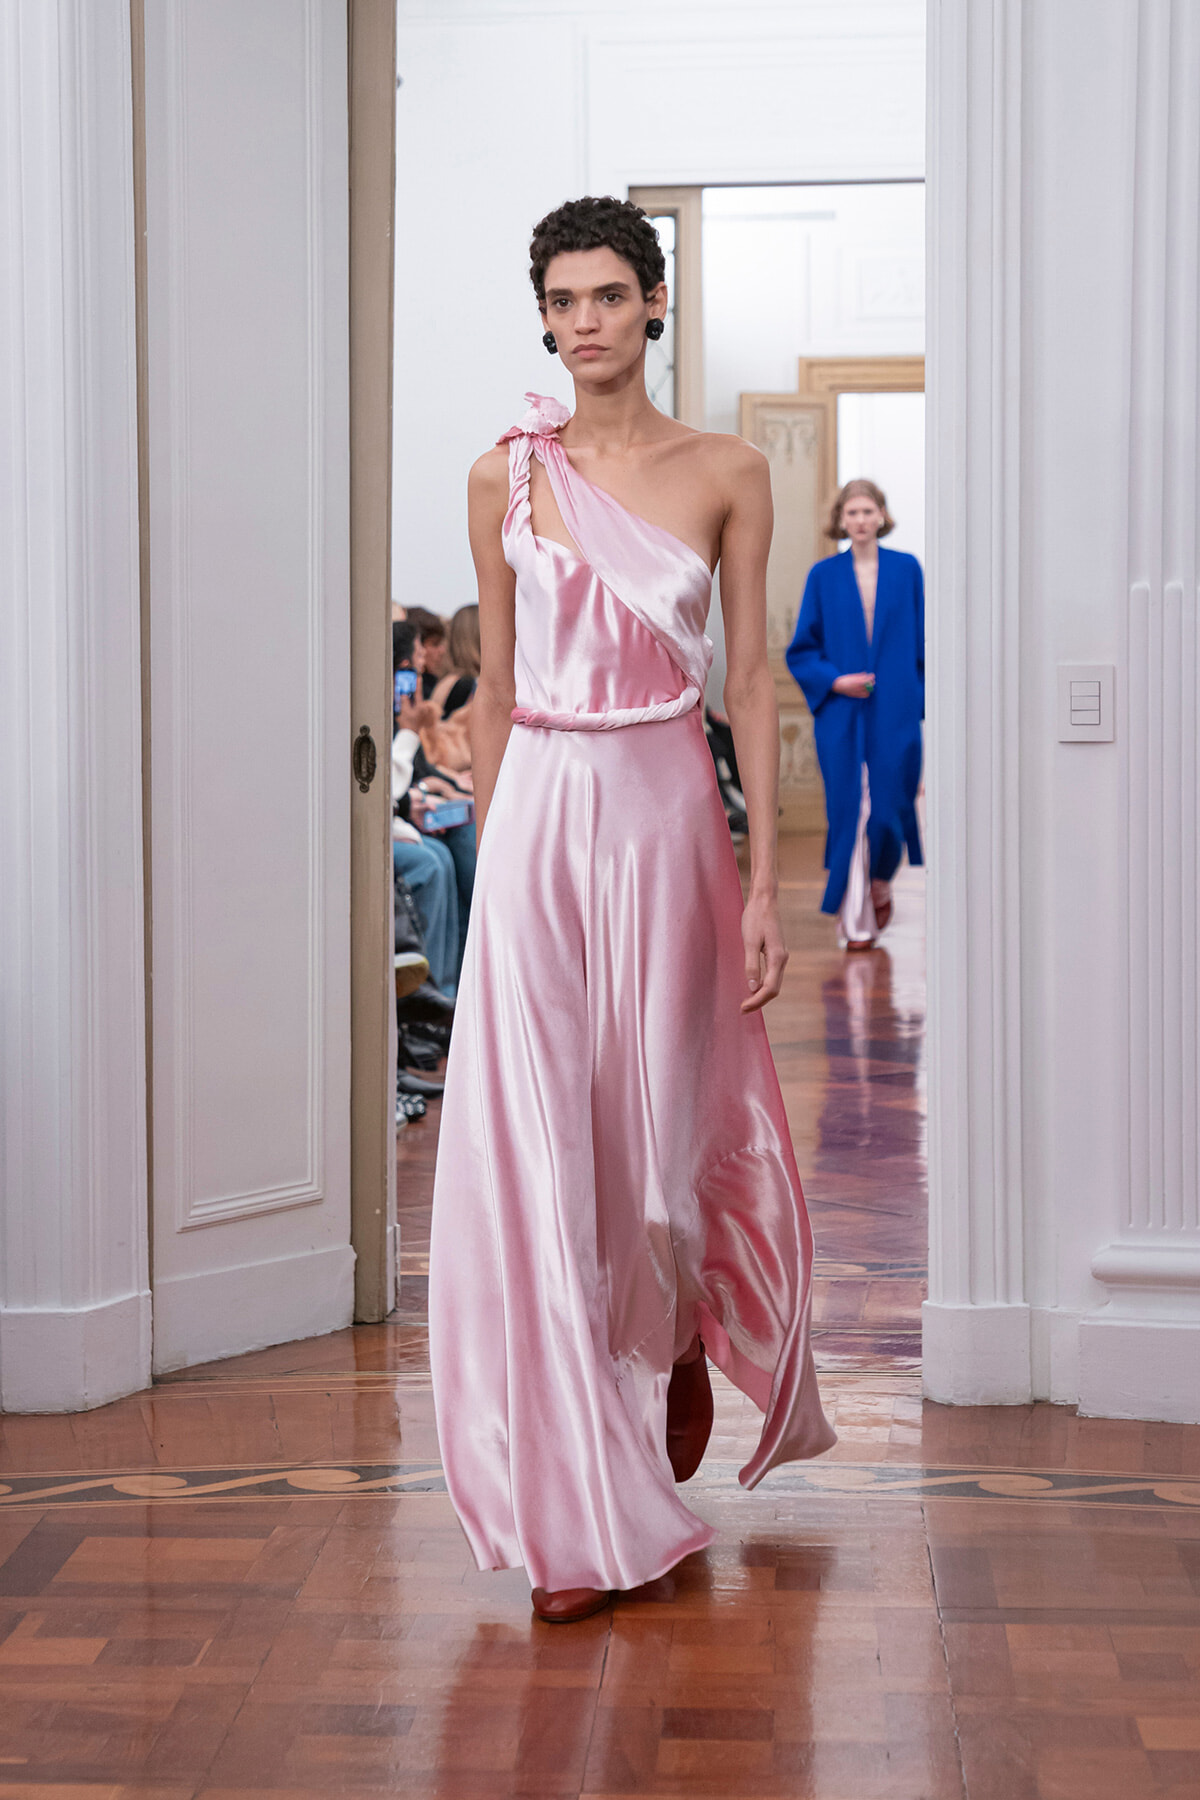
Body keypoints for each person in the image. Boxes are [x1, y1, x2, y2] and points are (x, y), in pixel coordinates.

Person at [428, 194, 834, 1626]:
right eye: (562, 299)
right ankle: (574, 1496)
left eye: (610, 294)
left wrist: (766, 889)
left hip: (667, 806)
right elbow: (490, 681)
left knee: (656, 1135)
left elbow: (750, 684)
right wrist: (486, 868)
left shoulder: (726, 469)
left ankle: (664, 1343)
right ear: (543, 314)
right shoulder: (502, 477)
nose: (584, 320)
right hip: (538, 809)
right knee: (543, 1140)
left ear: (655, 303)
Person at [785, 479, 924, 949]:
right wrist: (835, 681)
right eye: (852, 512)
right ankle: (854, 911)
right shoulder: (823, 576)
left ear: (882, 515)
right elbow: (802, 650)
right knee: (849, 809)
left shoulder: (908, 571)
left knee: (888, 808)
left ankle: (880, 877)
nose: (861, 520)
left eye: (868, 511)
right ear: (840, 520)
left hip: (895, 709)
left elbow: (921, 643)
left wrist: (918, 700)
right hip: (842, 711)